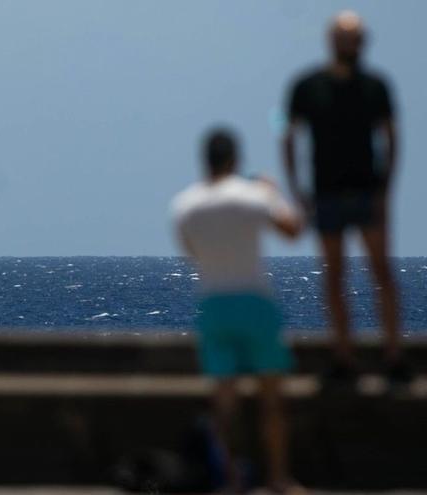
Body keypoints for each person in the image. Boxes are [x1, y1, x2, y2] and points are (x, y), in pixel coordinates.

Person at [172, 129, 303, 493]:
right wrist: (273, 190)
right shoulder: (253, 197)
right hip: (253, 300)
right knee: (271, 398)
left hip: (213, 304)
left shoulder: (186, 205)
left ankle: (227, 478)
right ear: (234, 159)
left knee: (223, 404)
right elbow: (293, 229)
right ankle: (277, 477)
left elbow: (191, 250)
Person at [282, 11, 410, 385]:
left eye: (355, 37)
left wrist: (386, 189)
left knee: (382, 272)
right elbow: (289, 135)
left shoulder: (376, 87)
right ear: (331, 40)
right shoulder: (307, 87)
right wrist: (297, 189)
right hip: (327, 193)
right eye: (343, 37)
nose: (349, 44)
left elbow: (391, 136)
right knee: (334, 277)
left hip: (368, 192)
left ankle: (394, 355)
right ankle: (343, 357)